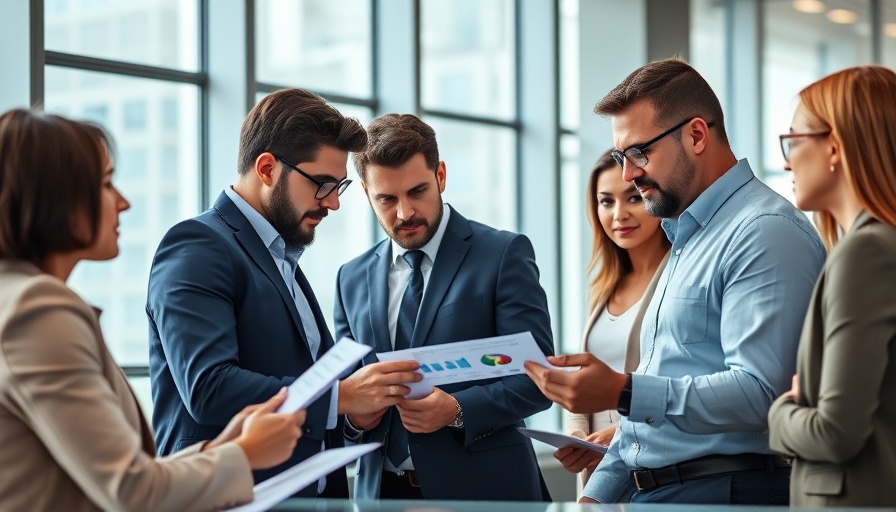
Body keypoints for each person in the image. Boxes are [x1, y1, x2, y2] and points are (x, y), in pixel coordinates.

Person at [525, 58, 826, 505]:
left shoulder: (765, 230)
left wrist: (620, 390)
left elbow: (762, 392)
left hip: (725, 493)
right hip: (662, 494)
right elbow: (653, 407)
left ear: (697, 135)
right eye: (620, 157)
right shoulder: (685, 239)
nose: (628, 174)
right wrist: (596, 497)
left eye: (639, 153)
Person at [0, 109, 307, 511]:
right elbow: (131, 492)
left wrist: (223, 447)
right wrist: (246, 454)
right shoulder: (36, 309)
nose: (123, 203)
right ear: (54, 198)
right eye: (106, 184)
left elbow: (119, 476)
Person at [147, 89, 421, 496]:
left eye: (338, 187)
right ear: (267, 168)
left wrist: (356, 411)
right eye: (322, 184)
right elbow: (209, 387)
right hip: (230, 497)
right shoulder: (197, 245)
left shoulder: (281, 258)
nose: (332, 204)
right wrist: (342, 397)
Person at [334, 113, 554, 501]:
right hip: (381, 495)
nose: (405, 213)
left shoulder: (502, 254)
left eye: (417, 191)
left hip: (486, 495)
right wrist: (354, 417)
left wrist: (457, 409)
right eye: (387, 198)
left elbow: (539, 380)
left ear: (441, 176)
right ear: (367, 194)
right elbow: (348, 387)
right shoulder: (350, 278)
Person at [767, 65, 896, 507]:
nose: (786, 160)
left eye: (794, 141)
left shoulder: (867, 254)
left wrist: (781, 411)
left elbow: (835, 433)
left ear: (835, 146)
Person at [557, 150, 670, 489]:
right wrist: (575, 434)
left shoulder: (676, 281)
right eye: (606, 202)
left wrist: (619, 434)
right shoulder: (604, 288)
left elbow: (682, 384)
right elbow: (584, 377)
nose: (619, 214)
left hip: (652, 470)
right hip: (599, 473)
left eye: (633, 198)